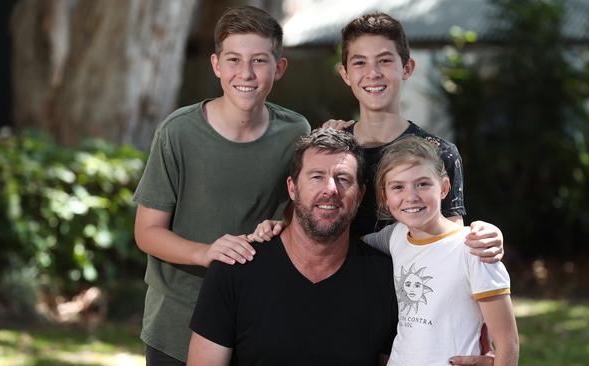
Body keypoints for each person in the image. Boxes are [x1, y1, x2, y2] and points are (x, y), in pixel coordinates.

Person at [132, 6, 310, 365]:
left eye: (259, 61)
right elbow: (147, 232)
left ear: (279, 67)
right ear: (216, 65)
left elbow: (296, 212)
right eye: (233, 59)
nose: (245, 73)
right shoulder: (178, 132)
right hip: (178, 318)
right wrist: (206, 252)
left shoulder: (296, 133)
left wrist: (283, 223)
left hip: (254, 316)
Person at [251, 12, 503, 263]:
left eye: (384, 61)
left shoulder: (437, 153)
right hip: (339, 290)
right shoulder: (331, 151)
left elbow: (451, 244)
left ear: (407, 68)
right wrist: (277, 226)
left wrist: (487, 237)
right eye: (360, 62)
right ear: (345, 74)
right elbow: (307, 222)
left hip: (410, 295)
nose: (373, 73)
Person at [187, 128, 398, 365]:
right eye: (316, 176)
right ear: (292, 188)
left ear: (359, 195)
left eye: (343, 179)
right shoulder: (235, 270)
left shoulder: (386, 280)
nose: (330, 189)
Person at [364, 135, 519, 366]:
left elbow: (508, 341)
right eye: (398, 187)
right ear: (385, 197)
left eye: (423, 184)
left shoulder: (475, 249)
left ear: (444, 187)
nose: (411, 196)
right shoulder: (395, 236)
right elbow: (346, 245)